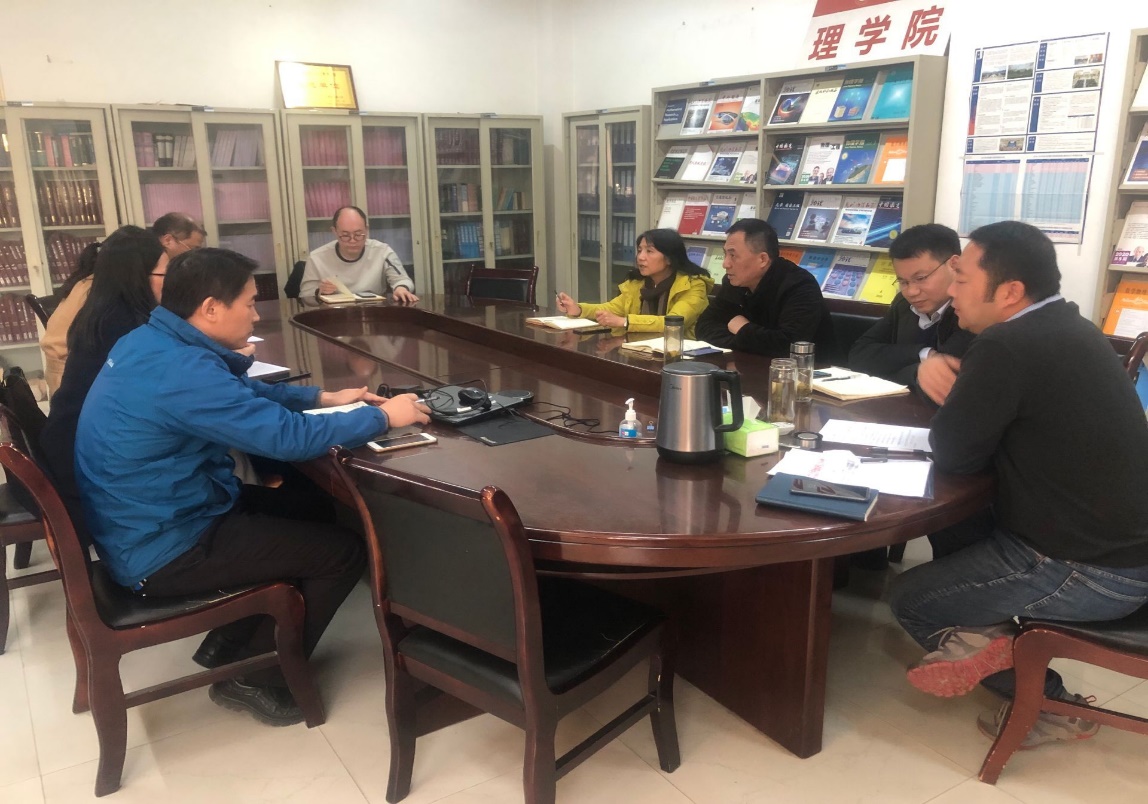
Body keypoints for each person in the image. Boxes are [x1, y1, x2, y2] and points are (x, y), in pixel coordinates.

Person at [74, 247, 431, 726]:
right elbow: (288, 439)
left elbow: (239, 392)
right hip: (164, 546)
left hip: (155, 514)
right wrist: (383, 417)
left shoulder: (151, 340)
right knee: (343, 553)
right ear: (211, 308)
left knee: (313, 506)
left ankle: (230, 641)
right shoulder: (181, 371)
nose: (256, 314)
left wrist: (323, 397)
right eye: (249, 303)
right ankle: (255, 677)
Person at [888, 221, 1148, 750]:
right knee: (960, 529)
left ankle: (1048, 706)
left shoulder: (1007, 344)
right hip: (1119, 548)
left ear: (1009, 292)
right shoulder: (1067, 323)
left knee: (912, 599)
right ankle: (982, 635)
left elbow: (955, 451)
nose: (952, 291)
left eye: (962, 279)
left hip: (1089, 568)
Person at [39, 226, 167, 521]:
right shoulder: (124, 326)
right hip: (89, 470)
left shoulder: (104, 311)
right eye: (165, 274)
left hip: (71, 448)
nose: (171, 283)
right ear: (138, 276)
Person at [848, 223, 974, 390]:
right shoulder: (903, 303)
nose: (911, 292)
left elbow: (949, 377)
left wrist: (907, 370)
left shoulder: (970, 312)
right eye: (903, 282)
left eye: (921, 278)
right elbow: (859, 355)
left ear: (953, 264)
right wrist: (923, 354)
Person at [695, 218, 835, 357]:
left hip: (811, 369)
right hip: (748, 364)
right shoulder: (734, 282)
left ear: (762, 259)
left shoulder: (800, 286)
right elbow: (703, 327)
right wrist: (744, 338)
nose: (725, 264)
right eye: (725, 254)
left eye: (733, 255)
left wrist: (743, 329)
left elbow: (787, 346)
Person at [555, 228, 712, 337]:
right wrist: (578, 309)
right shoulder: (637, 284)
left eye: (649, 251)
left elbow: (673, 323)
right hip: (641, 350)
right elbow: (610, 309)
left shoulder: (693, 285)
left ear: (669, 258)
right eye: (639, 250)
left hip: (680, 358)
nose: (640, 257)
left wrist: (625, 322)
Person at [299, 206, 418, 304]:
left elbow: (403, 279)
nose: (352, 241)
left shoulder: (382, 251)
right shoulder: (317, 258)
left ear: (366, 229)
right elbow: (305, 295)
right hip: (333, 316)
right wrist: (320, 291)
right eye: (345, 235)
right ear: (334, 231)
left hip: (373, 313)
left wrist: (401, 288)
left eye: (358, 234)